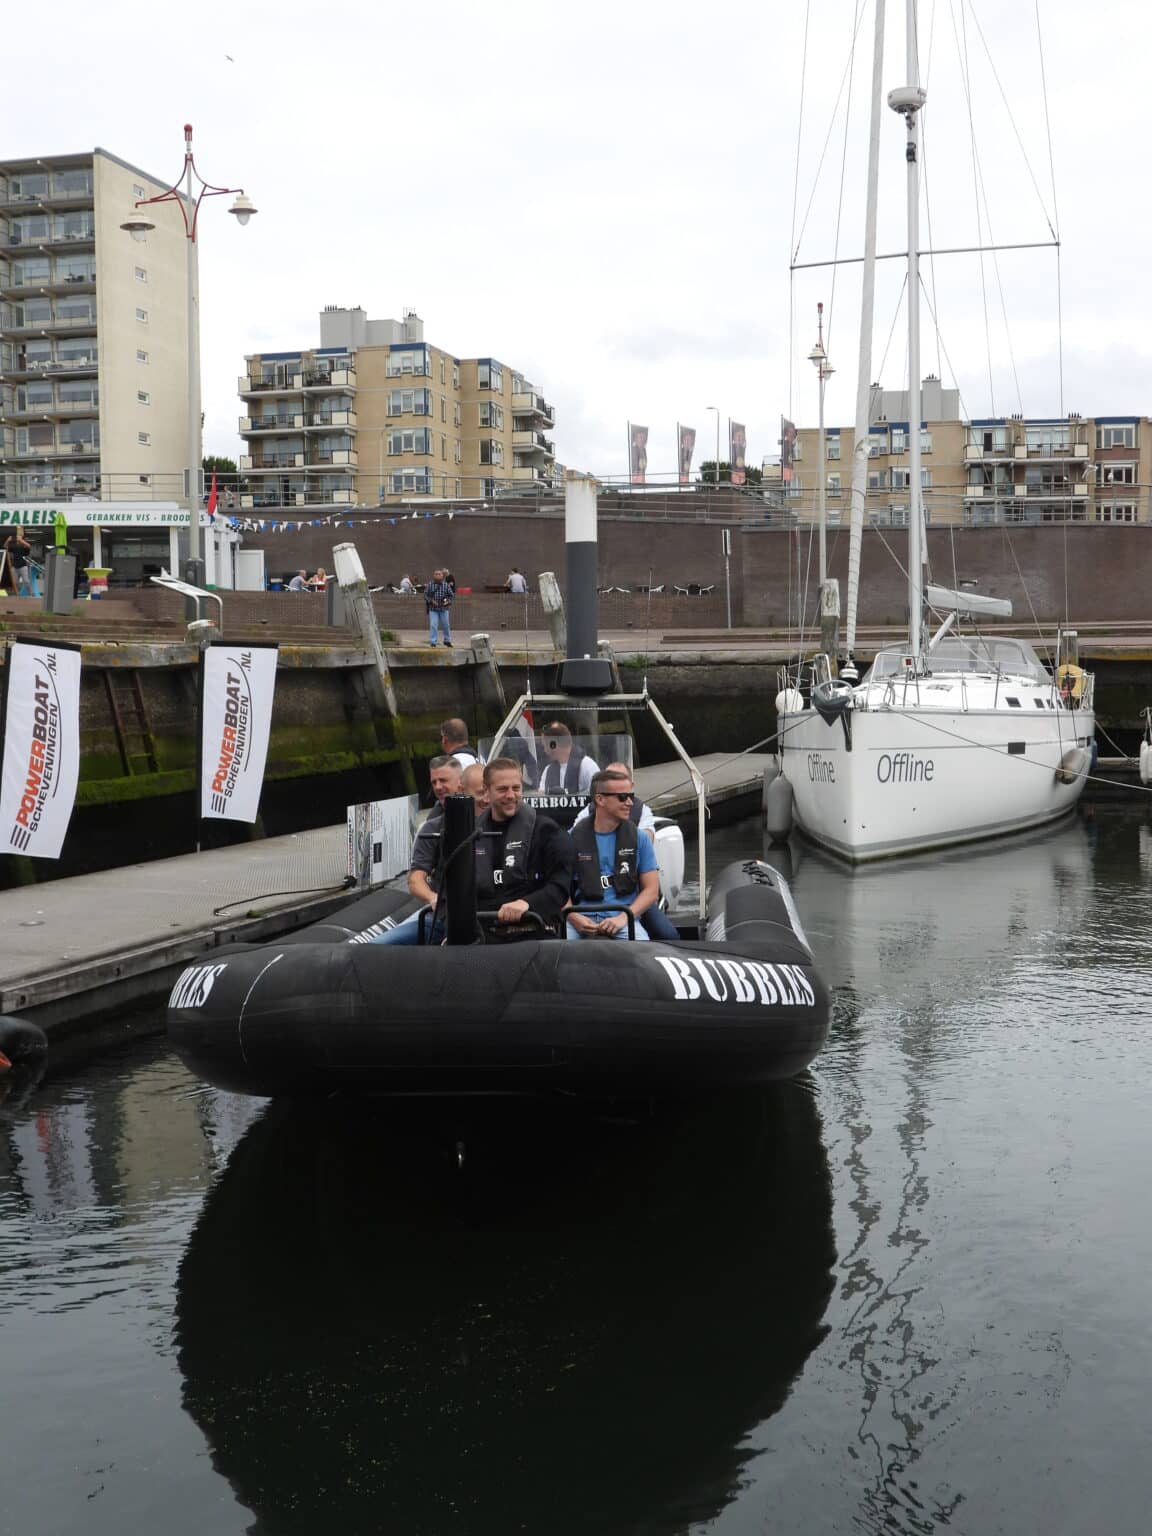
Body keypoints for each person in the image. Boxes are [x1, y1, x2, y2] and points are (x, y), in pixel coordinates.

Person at [571, 761, 680, 940]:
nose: (629, 802)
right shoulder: (573, 837)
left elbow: (651, 890)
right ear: (600, 799)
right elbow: (557, 888)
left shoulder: (640, 837)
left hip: (624, 915)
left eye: (631, 796)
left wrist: (623, 918)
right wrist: (574, 918)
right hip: (581, 916)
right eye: (622, 797)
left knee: (653, 942)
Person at [367, 755, 463, 946]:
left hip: (481, 911)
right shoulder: (431, 826)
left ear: (461, 783)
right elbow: (415, 879)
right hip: (441, 912)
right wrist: (432, 898)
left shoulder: (486, 819)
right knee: (376, 946)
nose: (438, 787)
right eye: (434, 782)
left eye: (443, 780)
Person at [474, 757, 574, 937]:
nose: (510, 795)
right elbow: (450, 892)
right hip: (483, 932)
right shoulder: (469, 836)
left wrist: (527, 903)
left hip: (533, 929)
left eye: (516, 788)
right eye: (502, 789)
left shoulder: (547, 832)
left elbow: (560, 887)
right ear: (486, 792)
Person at [538, 721, 599, 793]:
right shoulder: (548, 770)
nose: (544, 750)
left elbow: (598, 794)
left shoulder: (587, 766)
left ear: (553, 745)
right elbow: (541, 795)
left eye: (545, 745)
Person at [425, 568, 454, 647]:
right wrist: (431, 601)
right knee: (433, 625)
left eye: (439, 574)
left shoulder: (446, 585)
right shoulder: (430, 585)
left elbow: (451, 595)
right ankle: (433, 642)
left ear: (442, 576)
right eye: (436, 574)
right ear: (433, 575)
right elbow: (425, 595)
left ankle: (447, 640)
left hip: (444, 609)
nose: (437, 575)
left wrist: (448, 601)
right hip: (433, 609)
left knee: (446, 625)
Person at [2, 527, 33, 597]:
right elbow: (5, 546)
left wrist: (21, 540)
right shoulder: (14, 546)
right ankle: (18, 595)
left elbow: (29, 546)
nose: (17, 538)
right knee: (15, 582)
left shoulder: (24, 545)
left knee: (26, 581)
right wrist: (8, 540)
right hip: (15, 566)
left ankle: (31, 594)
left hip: (23, 566)